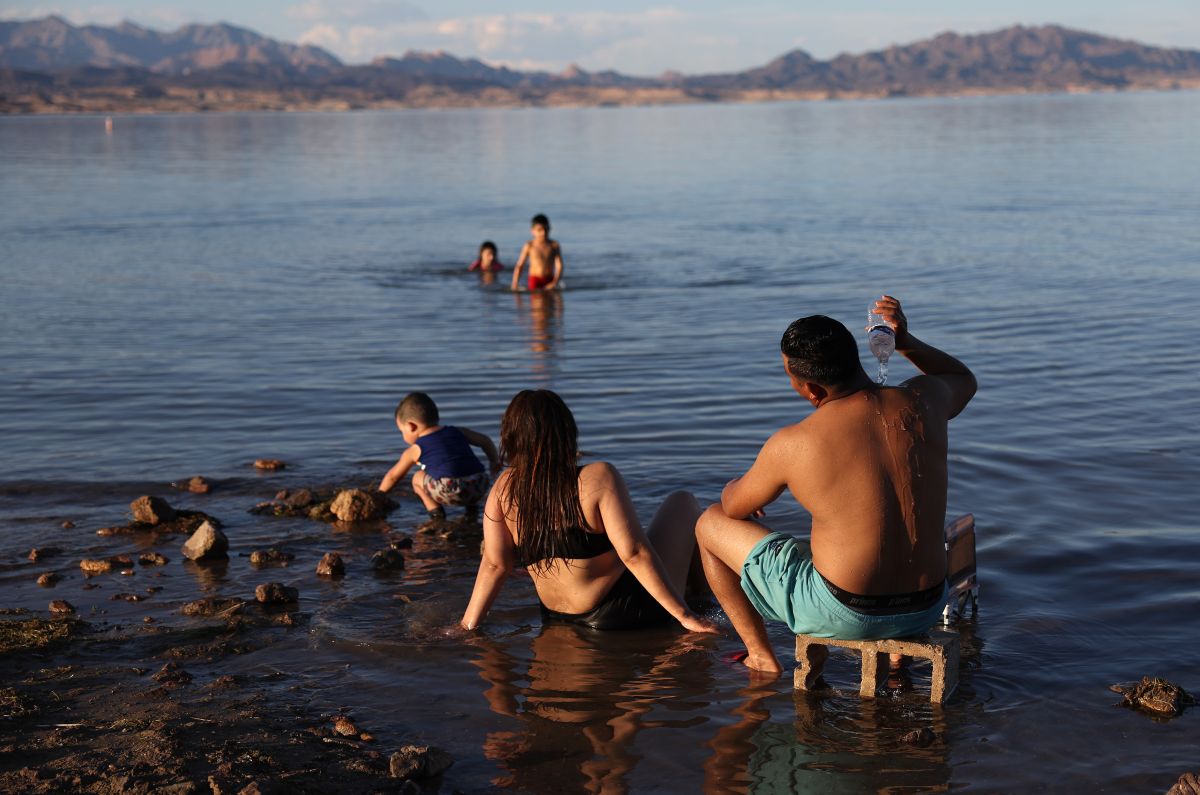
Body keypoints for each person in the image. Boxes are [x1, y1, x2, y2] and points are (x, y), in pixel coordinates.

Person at [695, 296, 977, 676]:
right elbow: (963, 379)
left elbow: (732, 508)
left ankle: (760, 656)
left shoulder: (795, 442)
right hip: (924, 606)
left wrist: (740, 486)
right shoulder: (923, 399)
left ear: (811, 389)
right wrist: (906, 341)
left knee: (708, 523)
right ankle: (895, 657)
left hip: (846, 614)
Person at [461, 389, 719, 634]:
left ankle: (694, 597)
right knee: (682, 502)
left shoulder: (505, 486)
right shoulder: (597, 476)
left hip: (555, 616)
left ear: (510, 437)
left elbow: (495, 564)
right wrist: (686, 617)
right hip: (620, 612)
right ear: (567, 432)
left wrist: (467, 626)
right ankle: (702, 600)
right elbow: (634, 554)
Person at [380, 392, 500, 522]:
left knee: (416, 478)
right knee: (463, 470)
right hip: (480, 484)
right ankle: (471, 510)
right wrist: (494, 460)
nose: (403, 435)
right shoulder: (457, 431)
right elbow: (485, 441)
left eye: (401, 431)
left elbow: (393, 476)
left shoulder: (416, 449)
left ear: (411, 426)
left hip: (449, 489)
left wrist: (380, 494)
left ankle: (436, 513)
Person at [510, 214, 564, 292]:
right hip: (534, 279)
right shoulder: (529, 245)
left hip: (549, 279)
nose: (543, 233)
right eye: (539, 230)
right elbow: (520, 265)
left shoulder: (554, 245)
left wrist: (555, 281)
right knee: (536, 302)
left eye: (546, 229)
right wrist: (515, 283)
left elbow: (559, 266)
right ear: (532, 231)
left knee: (551, 303)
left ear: (549, 229)